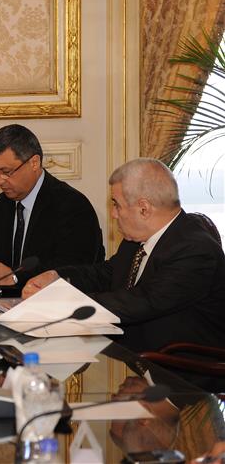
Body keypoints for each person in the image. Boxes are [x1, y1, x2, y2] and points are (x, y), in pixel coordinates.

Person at [22, 159, 225, 389]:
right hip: (137, 364)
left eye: (116, 205)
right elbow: (107, 274)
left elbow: (143, 300)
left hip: (186, 384)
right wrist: (57, 278)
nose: (113, 214)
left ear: (144, 208)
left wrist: (61, 304)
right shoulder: (136, 240)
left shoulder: (195, 249)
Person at [0, 124, 103, 286]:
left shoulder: (72, 206)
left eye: (6, 172)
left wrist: (14, 277)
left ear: (34, 162)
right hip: (7, 299)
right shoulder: (3, 202)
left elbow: (71, 270)